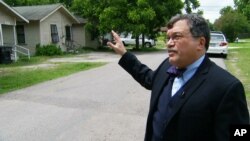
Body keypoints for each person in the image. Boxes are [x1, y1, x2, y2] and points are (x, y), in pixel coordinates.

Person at [107, 14, 249, 141]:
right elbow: (149, 78)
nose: (169, 43)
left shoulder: (227, 87)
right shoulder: (166, 67)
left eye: (177, 37)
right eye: (168, 38)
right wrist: (125, 55)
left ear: (200, 43)